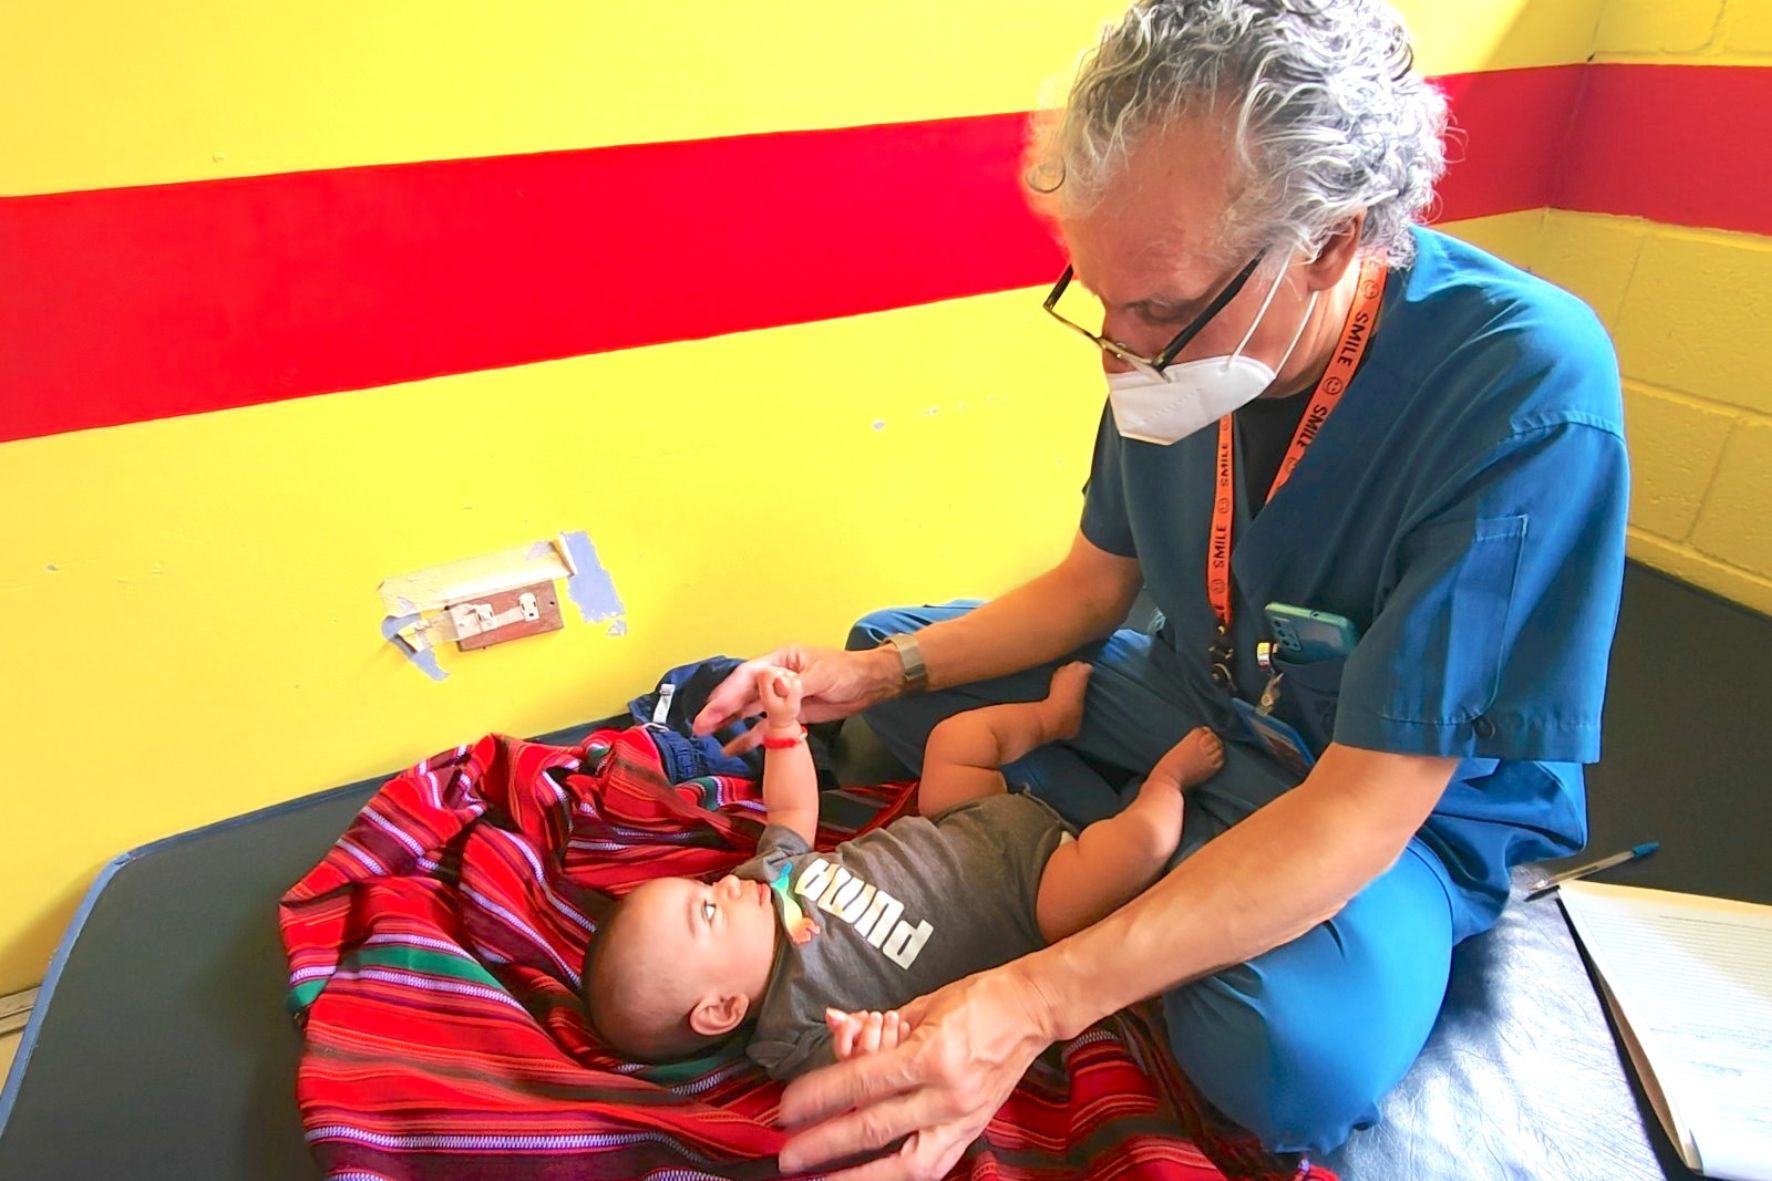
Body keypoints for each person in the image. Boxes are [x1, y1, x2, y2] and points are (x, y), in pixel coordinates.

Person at [691, 1, 1629, 1175]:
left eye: (1154, 314)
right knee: (885, 667)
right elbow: (1092, 587)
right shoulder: (1177, 328)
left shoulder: (1522, 384)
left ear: (1331, 242)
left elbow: (1363, 801)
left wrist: (1025, 1002)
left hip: (1385, 799)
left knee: (1288, 1056)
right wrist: (871, 672)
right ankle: (1161, 857)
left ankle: (1135, 852)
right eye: (1097, 300)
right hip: (1188, 695)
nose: (1115, 351)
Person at [584, 665, 1225, 1077]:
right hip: (1033, 898)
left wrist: (784, 731)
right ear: (722, 1009)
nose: (722, 886)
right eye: (707, 911)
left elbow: (792, 807)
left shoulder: (769, 875)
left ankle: (1050, 720)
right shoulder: (792, 1033)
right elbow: (878, 1071)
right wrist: (867, 1050)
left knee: (953, 742)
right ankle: (1168, 782)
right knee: (1135, 848)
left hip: (963, 819)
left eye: (704, 888)